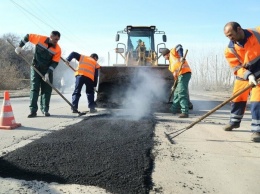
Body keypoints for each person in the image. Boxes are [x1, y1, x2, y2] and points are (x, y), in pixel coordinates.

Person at [223, 21, 260, 142]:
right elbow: (236, 68)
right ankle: (234, 121)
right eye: (227, 36)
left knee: (257, 101)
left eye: (230, 34)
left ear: (239, 29)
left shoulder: (257, 33)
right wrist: (248, 76)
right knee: (237, 98)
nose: (230, 38)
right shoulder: (230, 49)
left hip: (259, 74)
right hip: (244, 74)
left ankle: (257, 130)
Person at [15, 31, 61, 118]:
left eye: (58, 40)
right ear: (51, 36)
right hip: (36, 68)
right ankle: (33, 111)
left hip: (47, 71)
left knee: (47, 90)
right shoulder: (40, 39)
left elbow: (55, 63)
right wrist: (20, 47)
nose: (56, 41)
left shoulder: (58, 49)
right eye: (55, 39)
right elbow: (27, 36)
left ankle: (45, 110)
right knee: (34, 88)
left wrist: (47, 73)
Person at [162, 44, 192, 118]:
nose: (164, 58)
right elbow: (175, 76)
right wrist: (174, 86)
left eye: (164, 56)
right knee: (176, 93)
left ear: (167, 54)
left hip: (184, 74)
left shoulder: (172, 52)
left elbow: (179, 46)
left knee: (181, 92)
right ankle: (173, 109)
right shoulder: (170, 66)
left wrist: (181, 56)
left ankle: (185, 112)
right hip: (179, 77)